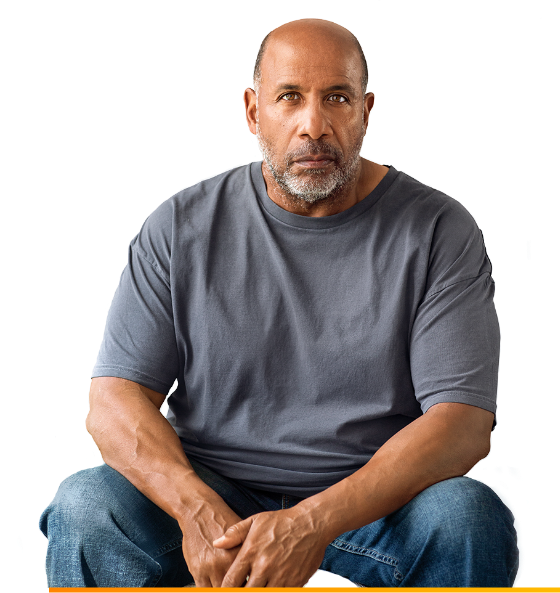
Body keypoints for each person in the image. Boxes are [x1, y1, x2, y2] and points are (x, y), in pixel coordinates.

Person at [39, 18, 520, 587]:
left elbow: (461, 423)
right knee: (87, 506)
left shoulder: (441, 229)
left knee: (469, 518)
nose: (312, 125)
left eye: (336, 98)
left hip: (372, 503)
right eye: (289, 97)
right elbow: (115, 400)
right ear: (251, 110)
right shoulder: (180, 224)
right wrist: (195, 509)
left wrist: (312, 522)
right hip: (215, 489)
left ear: (367, 110)